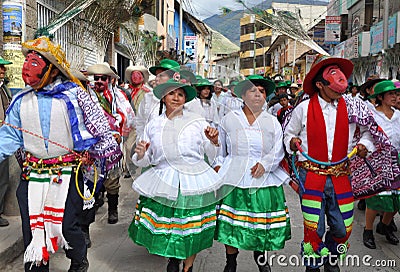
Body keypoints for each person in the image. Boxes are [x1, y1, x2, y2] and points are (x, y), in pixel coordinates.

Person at [0, 36, 121, 271]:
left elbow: (97, 128)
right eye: (28, 61)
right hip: (33, 174)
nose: (27, 67)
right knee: (33, 227)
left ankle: (78, 260)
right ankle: (37, 266)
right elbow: (8, 137)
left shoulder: (76, 96)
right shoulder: (20, 101)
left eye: (36, 62)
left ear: (53, 71)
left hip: (68, 174)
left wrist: (93, 153)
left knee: (68, 226)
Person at [283, 55, 400, 272]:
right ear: (320, 84)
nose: (341, 91)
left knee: (342, 226)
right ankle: (313, 264)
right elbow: (289, 133)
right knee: (313, 227)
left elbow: (368, 132)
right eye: (334, 85)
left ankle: (332, 259)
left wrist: (365, 145)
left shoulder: (354, 106)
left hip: (341, 176)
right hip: (312, 177)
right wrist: (292, 141)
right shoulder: (304, 108)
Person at [128, 78, 221, 272]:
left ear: (185, 99)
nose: (176, 98)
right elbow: (147, 159)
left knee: (192, 225)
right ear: (163, 97)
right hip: (165, 179)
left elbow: (211, 156)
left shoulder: (197, 122)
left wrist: (213, 142)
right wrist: (141, 153)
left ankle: (188, 265)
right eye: (172, 94)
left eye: (180, 94)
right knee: (170, 225)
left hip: (193, 178)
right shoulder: (154, 125)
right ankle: (172, 259)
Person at [214, 77, 291, 272]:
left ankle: (261, 259)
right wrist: (217, 166)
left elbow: (278, 150)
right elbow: (220, 149)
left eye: (262, 91)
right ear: (242, 95)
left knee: (260, 223)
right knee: (232, 223)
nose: (258, 94)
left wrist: (265, 164)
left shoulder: (272, 122)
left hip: (263, 178)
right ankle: (231, 261)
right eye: (253, 90)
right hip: (234, 177)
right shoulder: (229, 120)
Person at [87, 62, 135, 224]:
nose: (99, 81)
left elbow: (127, 116)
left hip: (112, 144)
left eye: (103, 78)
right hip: (92, 146)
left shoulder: (118, 96)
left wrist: (118, 132)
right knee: (91, 179)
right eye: (97, 78)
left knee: (112, 179)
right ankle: (89, 214)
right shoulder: (87, 96)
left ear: (109, 80)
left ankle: (112, 210)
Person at [362, 80, 400, 249]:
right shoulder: (373, 116)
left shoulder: (399, 116)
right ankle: (368, 230)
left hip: (397, 161)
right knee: (377, 199)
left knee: (396, 200)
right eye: (391, 94)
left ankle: (384, 225)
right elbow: (368, 137)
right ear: (380, 97)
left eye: (396, 94)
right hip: (378, 161)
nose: (395, 97)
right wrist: (364, 148)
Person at [135, 59, 180, 142]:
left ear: (173, 77)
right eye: (156, 75)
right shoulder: (148, 97)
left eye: (161, 76)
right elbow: (140, 121)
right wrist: (140, 140)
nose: (156, 79)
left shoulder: (182, 101)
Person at [0, 56, 12, 227]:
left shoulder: (5, 89)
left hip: (3, 140)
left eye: (3, 68)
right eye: (0, 68)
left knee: (3, 178)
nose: (2, 71)